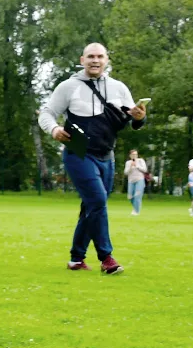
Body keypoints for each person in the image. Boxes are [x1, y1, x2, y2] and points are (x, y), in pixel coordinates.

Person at [37, 43, 147, 274]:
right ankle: (106, 257)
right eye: (90, 56)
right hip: (78, 151)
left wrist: (139, 118)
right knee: (97, 202)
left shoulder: (118, 88)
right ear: (82, 59)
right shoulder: (68, 87)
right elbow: (47, 112)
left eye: (99, 56)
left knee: (91, 206)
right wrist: (54, 130)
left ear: (106, 60)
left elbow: (132, 121)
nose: (95, 60)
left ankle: (76, 259)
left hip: (106, 155)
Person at [124, 149, 147, 216]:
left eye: (136, 154)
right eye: (133, 154)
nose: (134, 156)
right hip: (131, 181)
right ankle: (136, 207)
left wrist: (137, 166)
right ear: (130, 155)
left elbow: (145, 170)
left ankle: (136, 211)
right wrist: (131, 166)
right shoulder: (128, 162)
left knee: (137, 196)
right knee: (130, 197)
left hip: (140, 180)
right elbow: (126, 172)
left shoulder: (140, 161)